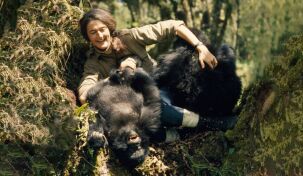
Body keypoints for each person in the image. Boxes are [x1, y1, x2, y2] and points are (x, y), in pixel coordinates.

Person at [78, 8, 226, 141]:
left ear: (109, 28)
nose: (100, 35)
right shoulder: (93, 63)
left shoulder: (129, 37)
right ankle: (182, 135)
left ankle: (213, 124)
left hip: (162, 86)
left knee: (160, 109)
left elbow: (174, 26)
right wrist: (115, 77)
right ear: (88, 38)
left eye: (102, 29)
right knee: (142, 126)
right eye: (93, 32)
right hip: (138, 105)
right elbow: (84, 95)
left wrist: (201, 48)